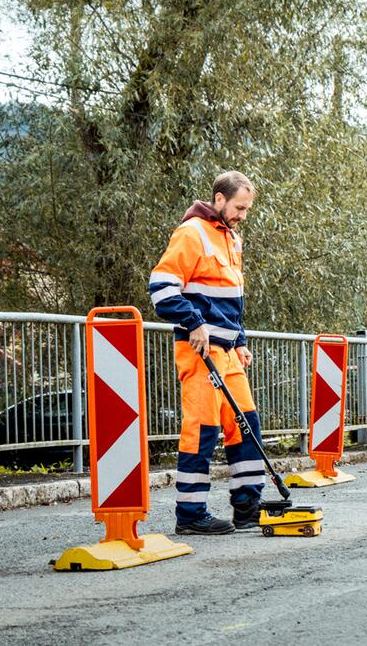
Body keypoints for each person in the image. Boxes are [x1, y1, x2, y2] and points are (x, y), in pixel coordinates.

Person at [148, 171, 265, 535]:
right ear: (218, 199)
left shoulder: (232, 239)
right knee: (202, 431)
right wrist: (193, 322)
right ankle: (191, 514)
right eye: (239, 207)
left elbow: (231, 300)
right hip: (199, 352)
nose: (243, 215)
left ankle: (247, 505)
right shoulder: (192, 233)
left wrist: (241, 338)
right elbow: (161, 287)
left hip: (229, 353)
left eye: (247, 209)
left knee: (246, 427)